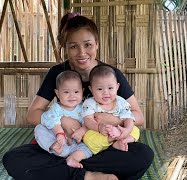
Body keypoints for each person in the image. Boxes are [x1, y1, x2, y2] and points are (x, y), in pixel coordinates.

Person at [3, 12, 153, 180]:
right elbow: (32, 114)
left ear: (97, 44)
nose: (82, 53)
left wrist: (110, 120)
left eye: (88, 44)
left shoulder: (110, 75)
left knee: (143, 154)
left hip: (102, 146)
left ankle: (71, 173)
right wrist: (63, 121)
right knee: (13, 159)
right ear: (65, 48)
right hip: (66, 144)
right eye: (73, 46)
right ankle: (88, 175)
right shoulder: (58, 73)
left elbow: (138, 116)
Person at [34, 70, 92, 169]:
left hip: (76, 144)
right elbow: (51, 120)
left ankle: (73, 158)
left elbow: (89, 122)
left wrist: (82, 130)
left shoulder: (85, 107)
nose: (72, 96)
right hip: (58, 141)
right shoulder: (56, 108)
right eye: (66, 92)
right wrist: (59, 133)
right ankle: (52, 146)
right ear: (57, 93)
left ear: (82, 91)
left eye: (76, 91)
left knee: (90, 149)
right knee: (39, 129)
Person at [82, 65, 140, 153]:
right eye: (100, 89)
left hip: (119, 130)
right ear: (91, 89)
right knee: (88, 137)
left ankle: (122, 141)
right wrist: (99, 127)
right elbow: (88, 120)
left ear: (117, 87)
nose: (106, 92)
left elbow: (129, 118)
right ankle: (110, 142)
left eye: (110, 88)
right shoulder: (89, 103)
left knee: (135, 130)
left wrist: (127, 130)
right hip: (100, 133)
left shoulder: (121, 102)